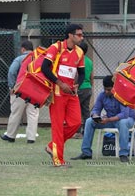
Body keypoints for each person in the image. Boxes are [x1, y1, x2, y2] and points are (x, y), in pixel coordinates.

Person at [41, 24, 85, 167]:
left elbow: (82, 72)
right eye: (79, 34)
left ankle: (51, 146)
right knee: (58, 126)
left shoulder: (79, 52)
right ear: (70, 35)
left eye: (82, 34)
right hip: (57, 93)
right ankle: (58, 160)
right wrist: (59, 83)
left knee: (76, 123)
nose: (81, 37)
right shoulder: (56, 47)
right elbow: (44, 67)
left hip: (72, 93)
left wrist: (78, 83)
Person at [71, 75, 135, 162]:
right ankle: (86, 153)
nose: (106, 91)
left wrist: (108, 119)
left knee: (123, 123)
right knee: (89, 121)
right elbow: (95, 110)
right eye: (105, 89)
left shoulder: (122, 95)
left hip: (127, 119)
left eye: (109, 89)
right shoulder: (102, 95)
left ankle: (123, 154)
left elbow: (124, 114)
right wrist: (97, 118)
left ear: (114, 87)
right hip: (109, 120)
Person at [0, 40, 39, 144]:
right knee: (33, 114)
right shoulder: (38, 58)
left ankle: (10, 135)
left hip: (21, 88)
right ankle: (31, 138)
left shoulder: (20, 59)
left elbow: (12, 71)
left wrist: (12, 86)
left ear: (23, 49)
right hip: (35, 90)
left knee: (16, 112)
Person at [73, 41, 94, 139]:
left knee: (76, 111)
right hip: (88, 87)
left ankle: (77, 132)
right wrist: (90, 86)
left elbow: (76, 75)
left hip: (79, 88)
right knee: (86, 111)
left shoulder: (77, 60)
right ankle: (87, 131)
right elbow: (91, 76)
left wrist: (74, 86)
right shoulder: (89, 61)